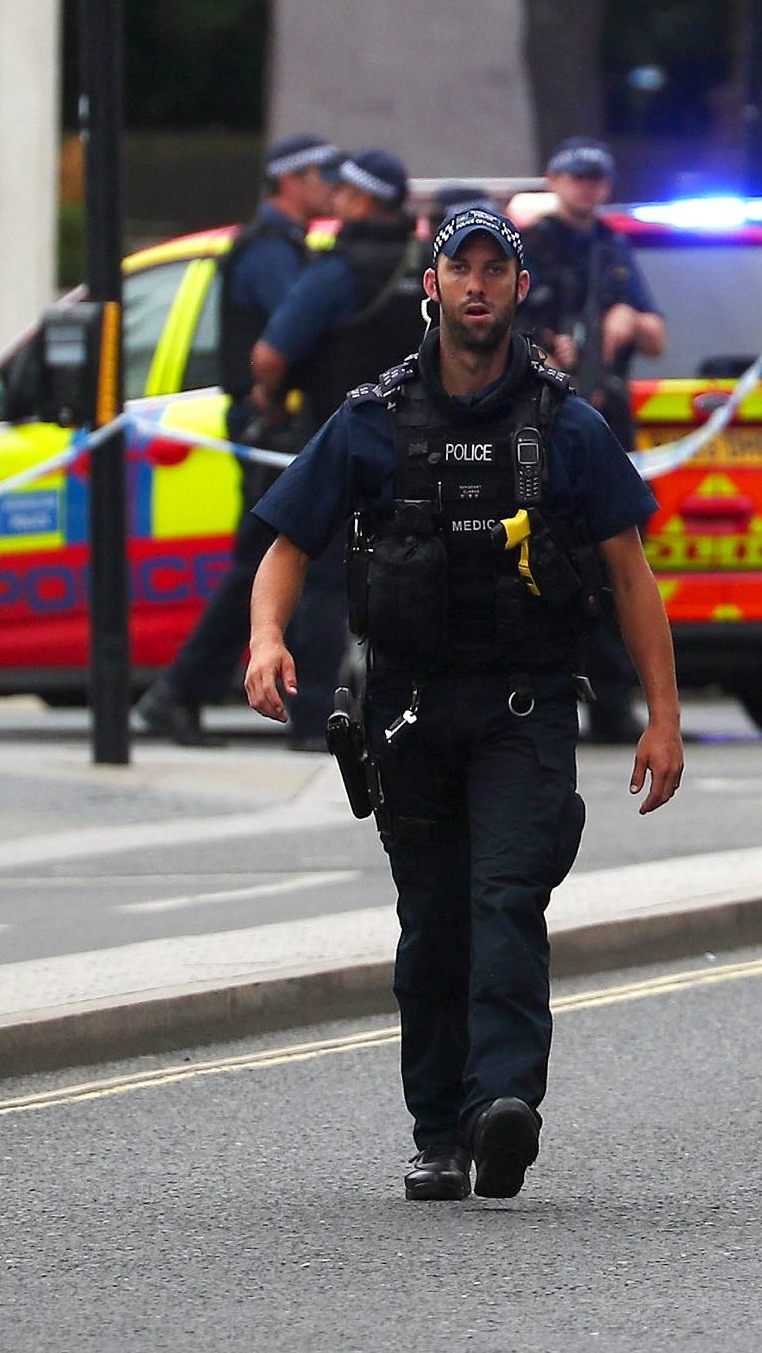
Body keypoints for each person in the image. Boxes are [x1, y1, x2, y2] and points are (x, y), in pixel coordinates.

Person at [245, 204, 684, 1203]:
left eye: (497, 267)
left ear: (520, 288)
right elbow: (287, 544)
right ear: (432, 285)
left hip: (526, 707)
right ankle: (439, 1129)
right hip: (409, 710)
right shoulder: (371, 418)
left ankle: (503, 1106)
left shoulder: (568, 423)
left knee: (507, 901)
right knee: (434, 925)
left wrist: (663, 713)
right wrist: (267, 638)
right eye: (461, 266)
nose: (478, 283)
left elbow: (630, 573)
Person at [136, 133, 339, 747]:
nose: (327, 185)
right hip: (269, 428)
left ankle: (180, 692)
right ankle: (178, 691)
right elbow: (291, 331)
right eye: (318, 174)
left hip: (270, 426)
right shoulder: (272, 250)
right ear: (289, 180)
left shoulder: (283, 244)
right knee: (266, 564)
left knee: (262, 562)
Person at [237, 147, 423, 749]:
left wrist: (270, 397)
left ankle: (313, 714)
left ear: (362, 200)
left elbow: (270, 353)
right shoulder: (423, 262)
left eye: (343, 192)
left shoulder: (339, 269)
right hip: (423, 447)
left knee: (318, 579)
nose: (335, 201)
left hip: (346, 440)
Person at [518, 137, 665, 744]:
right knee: (551, 559)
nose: (587, 188)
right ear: (553, 179)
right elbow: (506, 323)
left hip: (604, 417)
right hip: (544, 417)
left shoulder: (613, 248)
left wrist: (629, 321)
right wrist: (549, 346)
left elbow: (656, 336)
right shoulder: (532, 243)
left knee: (616, 560)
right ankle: (556, 688)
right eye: (576, 177)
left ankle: (612, 697)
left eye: (596, 178)